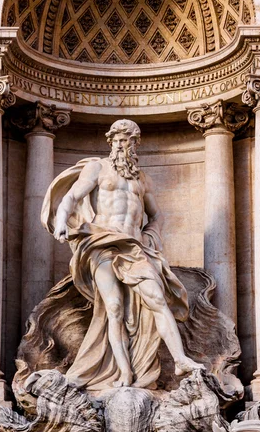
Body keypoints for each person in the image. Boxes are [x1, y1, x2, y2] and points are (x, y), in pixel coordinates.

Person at [41, 119, 204, 390]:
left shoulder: (143, 180)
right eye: (116, 139)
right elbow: (70, 198)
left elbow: (157, 215)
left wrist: (152, 236)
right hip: (101, 243)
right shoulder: (98, 169)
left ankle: (180, 360)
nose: (120, 144)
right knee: (113, 308)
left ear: (135, 144)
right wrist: (61, 222)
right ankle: (125, 373)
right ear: (110, 142)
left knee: (157, 299)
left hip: (134, 247)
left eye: (126, 139)